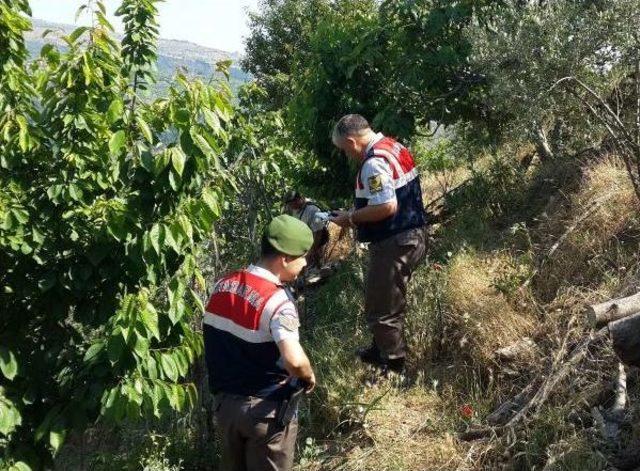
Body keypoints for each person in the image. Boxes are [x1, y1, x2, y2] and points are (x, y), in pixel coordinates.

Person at [203, 215, 316, 471]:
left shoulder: (222, 285)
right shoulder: (277, 302)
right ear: (284, 258)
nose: (306, 262)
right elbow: (294, 360)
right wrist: (308, 376)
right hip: (264, 413)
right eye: (302, 256)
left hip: (225, 409)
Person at [330, 114, 427, 375]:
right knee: (383, 297)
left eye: (344, 150)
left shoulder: (374, 163)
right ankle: (380, 348)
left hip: (395, 240)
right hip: (408, 235)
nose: (347, 155)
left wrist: (350, 218)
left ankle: (394, 364)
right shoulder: (394, 146)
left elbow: (386, 206)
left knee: (382, 307)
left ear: (351, 141)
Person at [283, 190, 328, 267]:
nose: (290, 206)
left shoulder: (313, 210)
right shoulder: (295, 210)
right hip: (305, 240)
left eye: (291, 203)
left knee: (316, 260)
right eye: (288, 204)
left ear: (298, 199)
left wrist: (312, 249)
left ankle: (320, 267)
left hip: (318, 239)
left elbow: (318, 232)